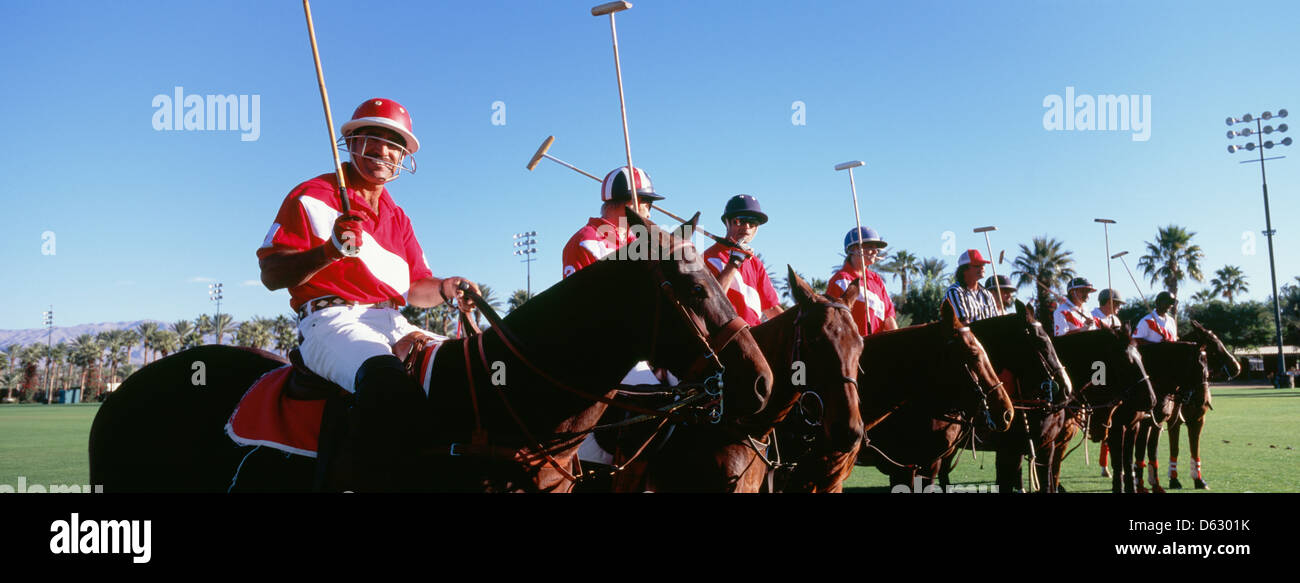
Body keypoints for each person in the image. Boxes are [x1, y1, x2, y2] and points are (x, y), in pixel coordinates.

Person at [257, 98, 477, 490]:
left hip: (392, 320)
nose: (384, 149)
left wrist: (446, 288)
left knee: (470, 372)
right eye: (372, 137)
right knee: (386, 385)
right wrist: (329, 252)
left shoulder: (398, 217)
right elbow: (271, 274)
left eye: (395, 144)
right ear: (352, 142)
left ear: (403, 158)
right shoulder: (313, 194)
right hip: (330, 321)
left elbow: (414, 289)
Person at [561, 167, 663, 279]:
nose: (649, 215)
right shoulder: (585, 242)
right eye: (648, 206)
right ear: (632, 203)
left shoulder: (638, 242)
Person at [701, 195, 782, 326]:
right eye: (740, 221)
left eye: (753, 222)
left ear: (757, 228)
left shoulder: (755, 263)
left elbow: (770, 308)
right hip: (722, 336)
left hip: (754, 337)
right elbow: (711, 303)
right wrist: (734, 262)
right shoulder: (707, 258)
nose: (747, 227)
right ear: (727, 222)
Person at [826, 226, 897, 336]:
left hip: (879, 345)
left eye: (876, 248)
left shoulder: (877, 280)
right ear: (853, 249)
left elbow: (888, 317)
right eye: (869, 246)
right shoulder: (839, 280)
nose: (875, 251)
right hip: (853, 349)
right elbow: (831, 322)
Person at [943, 249, 1000, 324]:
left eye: (983, 265)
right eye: (977, 265)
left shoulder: (987, 294)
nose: (982, 268)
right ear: (964, 270)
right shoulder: (954, 292)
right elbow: (963, 325)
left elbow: (996, 322)